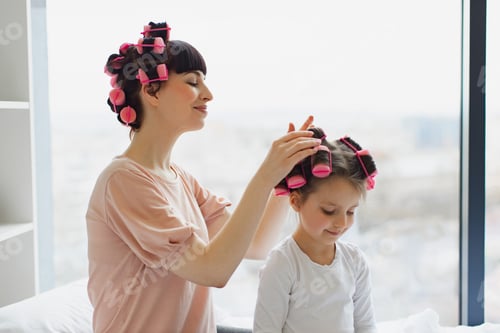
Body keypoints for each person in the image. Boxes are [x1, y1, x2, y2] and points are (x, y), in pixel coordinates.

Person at [86, 20, 321, 333]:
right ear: (152, 91)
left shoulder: (179, 179)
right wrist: (266, 175)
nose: (208, 94)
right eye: (193, 82)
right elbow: (213, 270)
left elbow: (256, 244)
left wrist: (284, 176)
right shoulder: (123, 182)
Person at [253, 127, 378, 333]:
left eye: (351, 211)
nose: (341, 222)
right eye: (329, 211)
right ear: (296, 201)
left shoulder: (355, 261)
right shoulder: (282, 264)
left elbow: (365, 326)